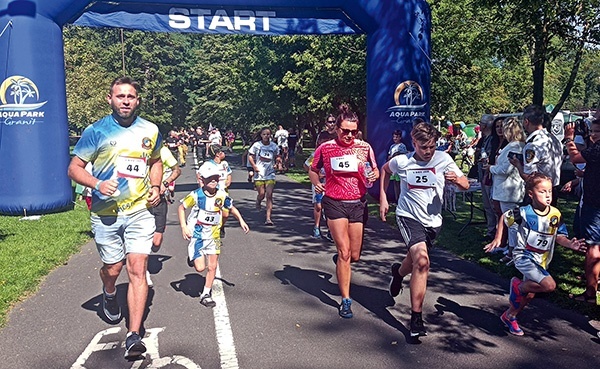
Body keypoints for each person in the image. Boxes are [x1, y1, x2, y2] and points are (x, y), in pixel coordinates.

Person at [67, 76, 162, 359]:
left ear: (137, 101)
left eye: (130, 97)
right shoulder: (96, 131)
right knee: (113, 268)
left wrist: (156, 187)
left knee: (137, 267)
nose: (125, 101)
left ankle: (134, 334)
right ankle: (109, 292)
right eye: (120, 96)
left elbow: (155, 161)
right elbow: (74, 167)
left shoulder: (150, 130)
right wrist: (96, 184)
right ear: (109, 99)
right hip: (106, 214)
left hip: (139, 211)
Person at [379, 122, 469, 337]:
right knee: (422, 261)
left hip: (433, 221)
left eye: (431, 146)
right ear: (414, 143)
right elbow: (384, 170)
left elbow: (465, 184)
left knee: (414, 261)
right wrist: (383, 198)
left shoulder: (443, 159)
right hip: (408, 216)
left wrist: (456, 180)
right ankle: (416, 319)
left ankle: (398, 273)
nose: (428, 152)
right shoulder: (403, 161)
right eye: (423, 147)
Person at [484, 173, 585, 335]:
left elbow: (559, 236)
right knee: (549, 285)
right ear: (530, 194)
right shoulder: (524, 212)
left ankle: (510, 316)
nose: (547, 196)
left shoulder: (555, 214)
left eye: (550, 192)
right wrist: (498, 239)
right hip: (524, 256)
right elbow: (504, 216)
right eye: (542, 192)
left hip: (542, 260)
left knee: (530, 294)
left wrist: (571, 245)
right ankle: (518, 285)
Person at [309, 104, 379, 319]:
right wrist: (317, 182)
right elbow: (313, 168)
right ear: (337, 129)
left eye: (353, 131)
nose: (349, 135)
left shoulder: (364, 148)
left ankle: (341, 260)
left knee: (355, 255)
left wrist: (374, 175)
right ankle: (345, 300)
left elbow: (374, 168)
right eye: (345, 131)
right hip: (334, 202)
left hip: (357, 203)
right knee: (345, 252)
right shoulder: (326, 148)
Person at [178, 165, 249, 308]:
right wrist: (184, 227)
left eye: (216, 178)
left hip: (214, 236)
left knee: (212, 266)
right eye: (210, 179)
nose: (214, 181)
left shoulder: (221, 195)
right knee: (200, 268)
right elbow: (181, 208)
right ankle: (193, 258)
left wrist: (241, 220)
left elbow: (231, 207)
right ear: (203, 180)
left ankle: (206, 293)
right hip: (198, 236)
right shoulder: (196, 195)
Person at [564, 117, 600, 304]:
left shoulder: (597, 148)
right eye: (592, 131)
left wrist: (569, 139)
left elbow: (576, 158)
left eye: (597, 132)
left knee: (593, 246)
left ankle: (590, 292)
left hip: (595, 204)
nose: (593, 135)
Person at [485, 117, 526, 263]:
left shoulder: (514, 147)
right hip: (509, 189)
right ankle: (511, 248)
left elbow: (506, 169)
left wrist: (491, 168)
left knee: (512, 222)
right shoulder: (518, 145)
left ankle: (512, 251)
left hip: (509, 190)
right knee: (511, 221)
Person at [510, 104, 562, 206]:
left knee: (533, 221)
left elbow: (529, 177)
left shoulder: (533, 145)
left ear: (526, 121)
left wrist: (518, 165)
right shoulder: (554, 139)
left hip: (538, 192)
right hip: (552, 190)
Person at [146, 144, 182, 287]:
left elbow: (176, 170)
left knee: (156, 243)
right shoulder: (133, 149)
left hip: (159, 200)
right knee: (142, 240)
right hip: (139, 202)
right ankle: (144, 271)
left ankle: (147, 252)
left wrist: (165, 183)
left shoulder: (162, 151)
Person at [248, 127, 280, 225]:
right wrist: (254, 166)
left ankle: (268, 218)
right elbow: (250, 156)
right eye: (264, 134)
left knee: (269, 195)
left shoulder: (274, 146)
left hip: (270, 173)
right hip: (259, 173)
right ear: (261, 135)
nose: (266, 136)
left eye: (268, 134)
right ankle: (258, 201)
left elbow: (278, 156)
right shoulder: (257, 145)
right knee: (262, 194)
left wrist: (277, 163)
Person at [475, 115, 499, 240]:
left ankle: (497, 232)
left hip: (490, 175)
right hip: (483, 174)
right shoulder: (483, 138)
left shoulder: (493, 139)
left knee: (493, 204)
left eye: (481, 123)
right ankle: (490, 230)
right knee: (487, 205)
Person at [387, 129, 408, 202]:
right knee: (395, 183)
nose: (395, 138)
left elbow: (404, 155)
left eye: (397, 137)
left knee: (400, 183)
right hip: (393, 168)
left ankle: (401, 199)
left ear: (400, 137)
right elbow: (389, 155)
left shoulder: (402, 146)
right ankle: (397, 199)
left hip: (399, 168)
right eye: (394, 137)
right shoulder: (392, 146)